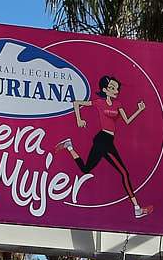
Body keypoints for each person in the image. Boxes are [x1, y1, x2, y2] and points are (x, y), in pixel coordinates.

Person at [57, 74, 152, 219]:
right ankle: (137, 208)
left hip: (107, 140)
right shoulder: (99, 102)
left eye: (117, 88)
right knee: (124, 173)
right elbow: (76, 103)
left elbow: (127, 121)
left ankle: (69, 146)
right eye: (112, 88)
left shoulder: (118, 104)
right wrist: (79, 119)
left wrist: (139, 110)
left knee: (85, 169)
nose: (116, 91)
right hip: (103, 140)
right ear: (105, 89)